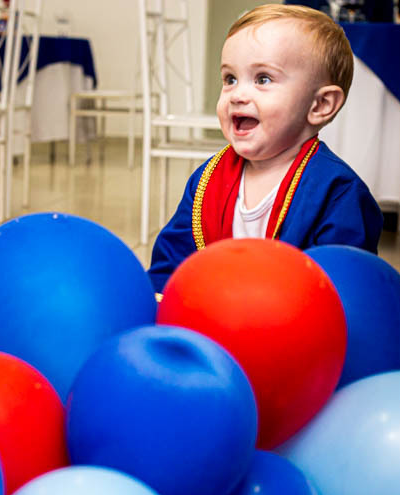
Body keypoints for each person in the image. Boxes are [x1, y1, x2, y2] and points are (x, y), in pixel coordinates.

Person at [148, 4, 383, 293]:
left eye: (263, 79)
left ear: (320, 105)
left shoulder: (338, 193)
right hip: (214, 321)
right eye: (230, 79)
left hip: (293, 328)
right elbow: (171, 264)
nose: (237, 95)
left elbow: (343, 287)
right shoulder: (207, 180)